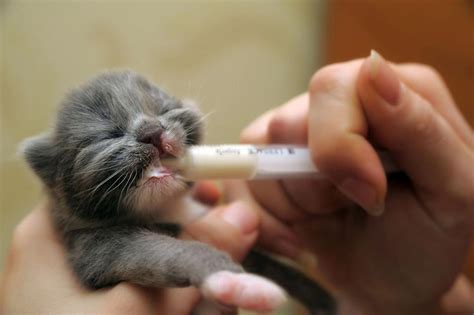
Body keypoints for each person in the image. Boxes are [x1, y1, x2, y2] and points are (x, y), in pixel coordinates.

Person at [1, 51, 473, 315]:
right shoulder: (94, 241)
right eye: (105, 138)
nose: (149, 130)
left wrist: (355, 301)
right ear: (53, 173)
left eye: (160, 111)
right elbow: (133, 253)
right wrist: (209, 265)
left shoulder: (204, 200)